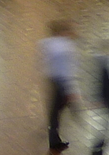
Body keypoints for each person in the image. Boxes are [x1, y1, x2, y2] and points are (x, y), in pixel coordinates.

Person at [42, 20, 79, 151]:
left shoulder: (47, 43)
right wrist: (71, 90)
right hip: (63, 82)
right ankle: (53, 139)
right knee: (57, 109)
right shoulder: (67, 48)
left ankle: (53, 137)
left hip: (53, 79)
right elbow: (67, 70)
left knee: (55, 110)